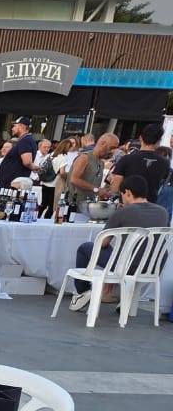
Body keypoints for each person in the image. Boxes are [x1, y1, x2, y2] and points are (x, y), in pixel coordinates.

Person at [69, 175, 170, 310]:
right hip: (153, 266)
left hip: (127, 266)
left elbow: (103, 243)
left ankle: (83, 292)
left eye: (121, 194)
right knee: (128, 252)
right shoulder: (163, 212)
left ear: (127, 192)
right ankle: (127, 296)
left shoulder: (122, 212)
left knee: (85, 248)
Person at [108, 123, 169, 200]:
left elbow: (115, 189)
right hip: (150, 204)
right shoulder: (165, 163)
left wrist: (112, 179)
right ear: (159, 141)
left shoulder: (126, 159)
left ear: (140, 138)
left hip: (127, 203)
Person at [65, 132, 119, 216]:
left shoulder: (101, 163)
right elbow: (74, 179)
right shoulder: (84, 158)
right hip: (73, 206)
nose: (112, 151)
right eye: (111, 148)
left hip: (87, 207)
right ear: (102, 143)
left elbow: (93, 184)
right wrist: (96, 190)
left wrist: (103, 192)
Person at [0, 117, 36, 188]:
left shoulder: (25, 140)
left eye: (14, 126)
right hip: (12, 182)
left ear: (22, 126)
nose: (12, 129)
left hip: (14, 184)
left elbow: (27, 162)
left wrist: (34, 167)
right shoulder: (24, 140)